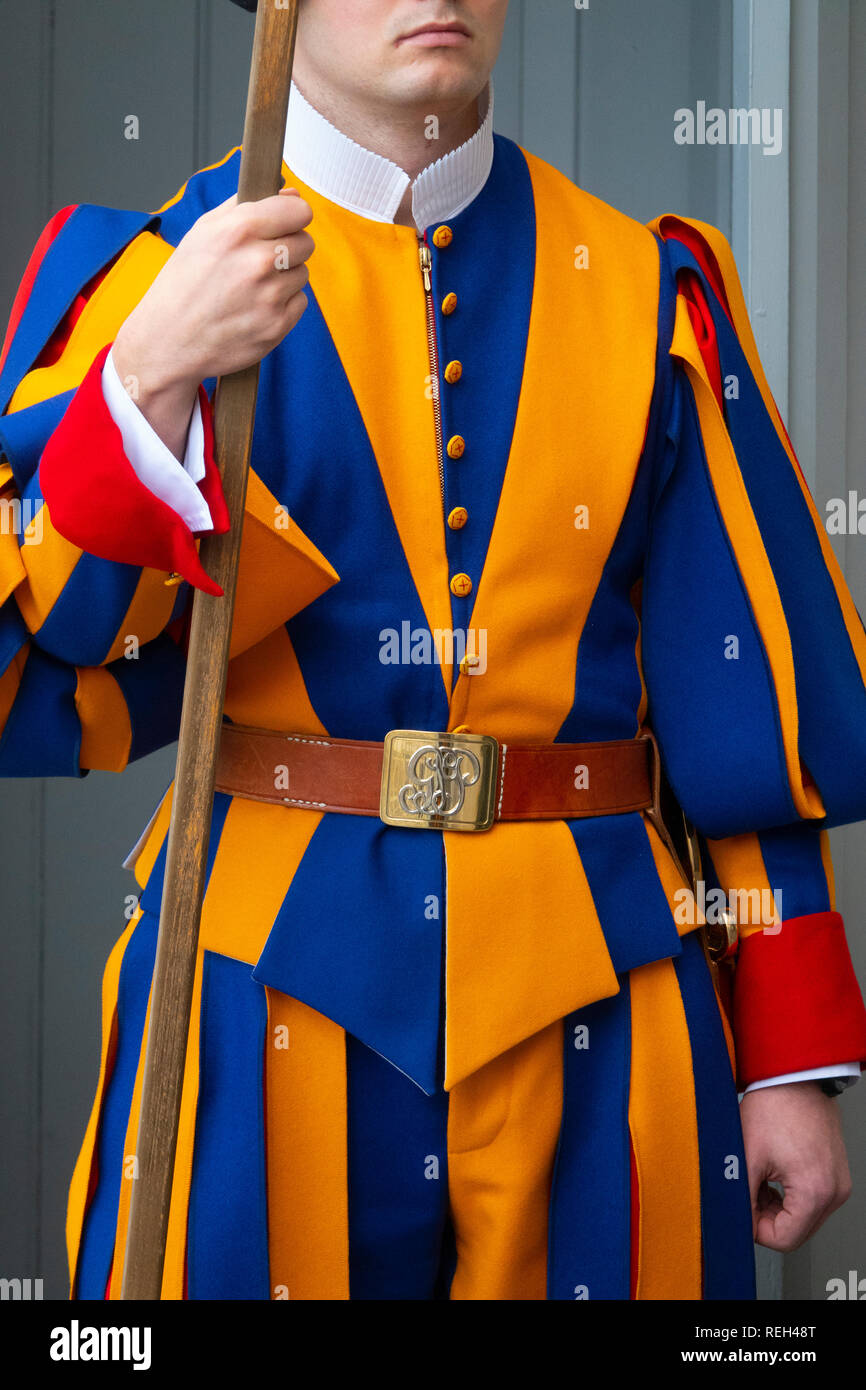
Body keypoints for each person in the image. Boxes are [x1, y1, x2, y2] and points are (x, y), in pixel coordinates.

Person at [1, 0, 865, 1301]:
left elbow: (739, 698)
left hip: (607, 991)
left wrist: (785, 1053)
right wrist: (145, 382)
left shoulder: (645, 288)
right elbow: (41, 658)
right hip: (255, 990)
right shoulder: (140, 285)